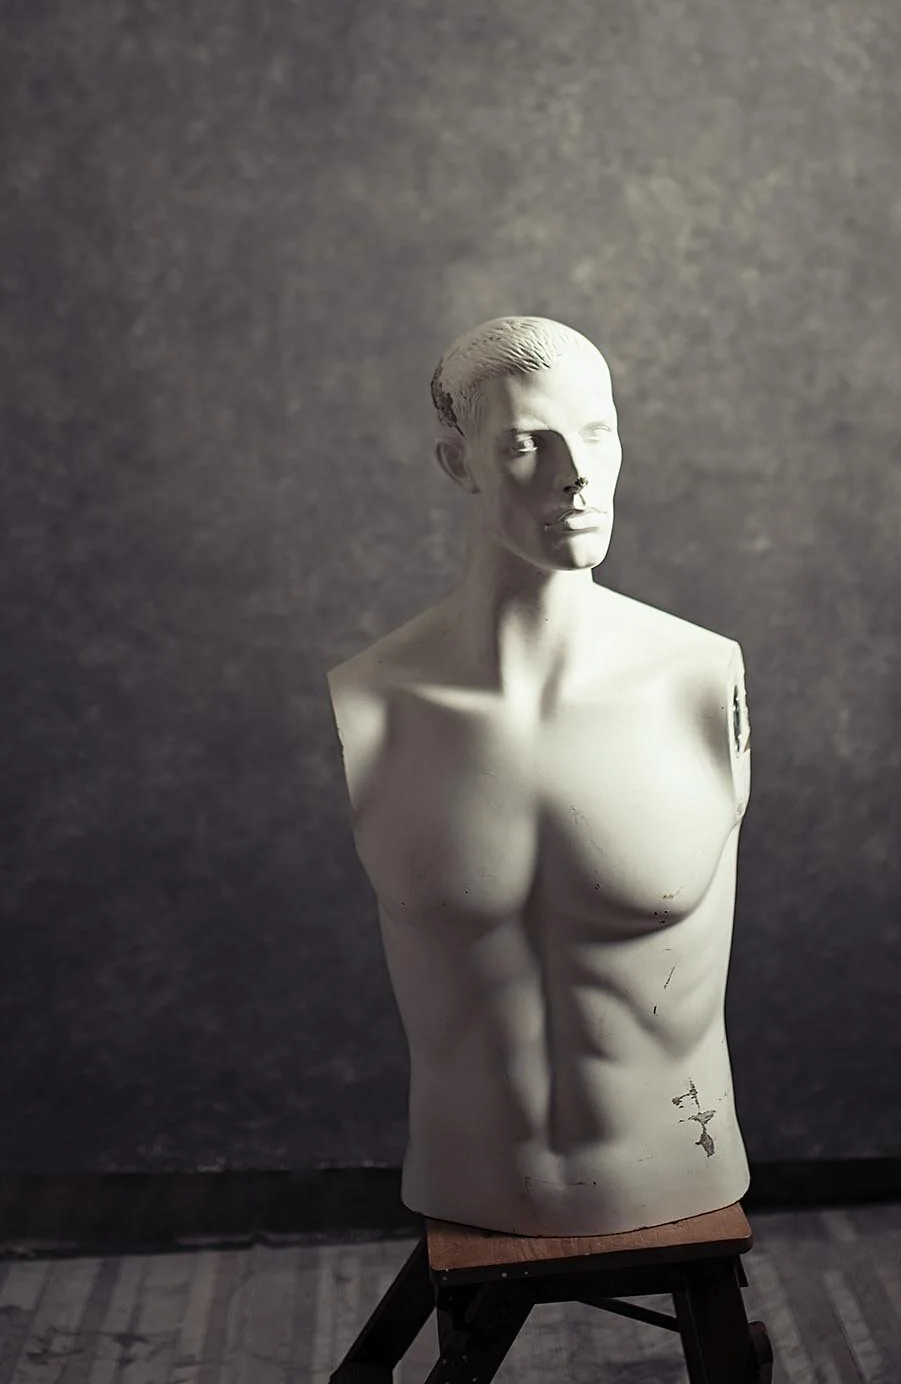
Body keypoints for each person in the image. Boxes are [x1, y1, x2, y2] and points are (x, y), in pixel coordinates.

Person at [328, 316, 752, 1236]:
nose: (576, 474)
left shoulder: (697, 679)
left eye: (597, 435)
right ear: (459, 463)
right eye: (527, 442)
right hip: (465, 1174)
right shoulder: (376, 700)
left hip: (679, 1165)